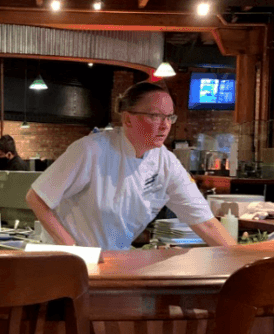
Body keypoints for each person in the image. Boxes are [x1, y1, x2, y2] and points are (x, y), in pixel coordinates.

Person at [25, 80, 235, 251]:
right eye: (155, 116)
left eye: (169, 117)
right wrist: (71, 248)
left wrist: (240, 261)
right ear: (127, 119)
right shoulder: (91, 150)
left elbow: (206, 223)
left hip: (113, 262)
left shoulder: (166, 162)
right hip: (68, 263)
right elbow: (36, 198)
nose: (165, 125)